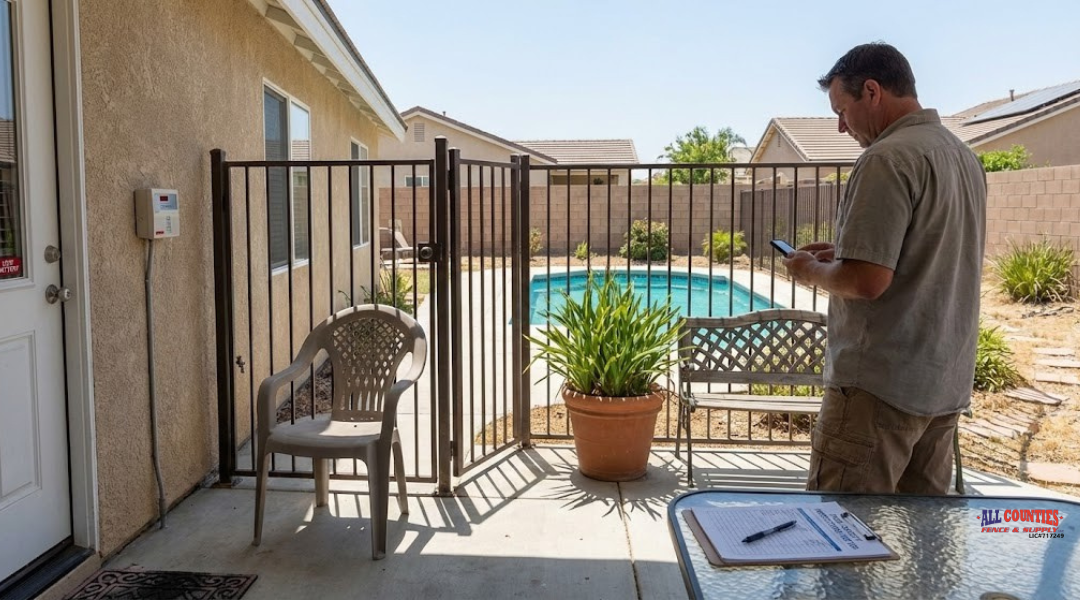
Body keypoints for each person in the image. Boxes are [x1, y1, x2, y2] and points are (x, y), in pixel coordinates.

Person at [782, 42, 986, 495]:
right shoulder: (962, 157)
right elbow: (927, 253)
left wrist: (806, 271)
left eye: (842, 110)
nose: (840, 126)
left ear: (871, 92)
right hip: (942, 385)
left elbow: (865, 281)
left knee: (842, 541)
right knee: (925, 545)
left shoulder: (885, 158)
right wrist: (847, 252)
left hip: (879, 390)